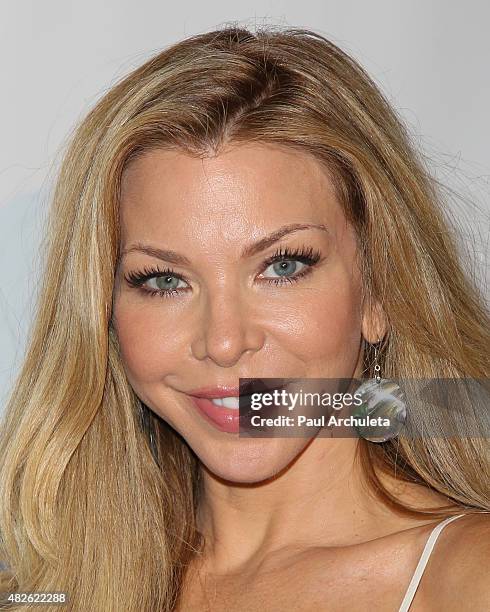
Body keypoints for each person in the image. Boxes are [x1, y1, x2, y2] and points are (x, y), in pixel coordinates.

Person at [0, 25, 489, 612]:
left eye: (282, 267)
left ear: (379, 291)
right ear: (102, 315)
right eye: (163, 280)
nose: (225, 342)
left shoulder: (468, 578)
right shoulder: (46, 588)